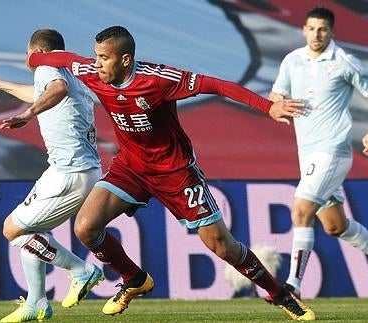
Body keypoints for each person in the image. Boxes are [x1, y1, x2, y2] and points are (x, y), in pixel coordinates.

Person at [28, 26, 315, 320]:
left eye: (104, 57)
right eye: (96, 56)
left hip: (176, 172)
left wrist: (267, 107)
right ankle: (135, 280)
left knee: (221, 245)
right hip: (131, 167)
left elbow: (215, 85)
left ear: (125, 59)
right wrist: (33, 60)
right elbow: (56, 59)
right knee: (85, 227)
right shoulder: (91, 70)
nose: (97, 64)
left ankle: (279, 294)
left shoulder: (158, 80)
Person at [0, 29, 104, 323]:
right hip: (81, 170)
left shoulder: (47, 68)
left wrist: (28, 114)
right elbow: (43, 92)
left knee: (12, 230)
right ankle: (36, 303)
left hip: (69, 173)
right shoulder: (73, 74)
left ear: (34, 51)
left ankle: (82, 270)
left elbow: (55, 90)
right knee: (31, 233)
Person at [268, 6, 368, 300]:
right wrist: (276, 104)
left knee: (300, 208)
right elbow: (277, 94)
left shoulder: (345, 62)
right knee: (336, 226)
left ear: (332, 32)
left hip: (333, 151)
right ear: (304, 30)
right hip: (308, 155)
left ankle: (293, 286)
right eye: (311, 28)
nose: (316, 34)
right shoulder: (292, 61)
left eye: (322, 29)